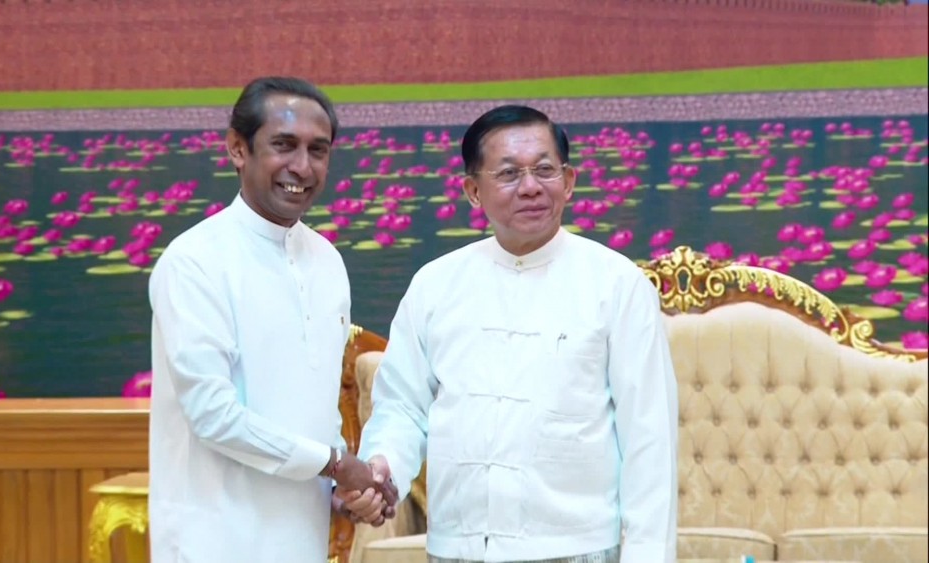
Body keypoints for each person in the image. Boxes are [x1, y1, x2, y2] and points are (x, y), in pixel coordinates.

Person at [346, 105, 679, 563]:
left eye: (544, 170)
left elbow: (649, 438)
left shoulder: (617, 285)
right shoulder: (436, 285)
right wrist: (383, 469)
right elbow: (402, 407)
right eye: (508, 174)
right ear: (473, 191)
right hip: (458, 547)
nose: (530, 187)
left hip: (576, 548)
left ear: (569, 181)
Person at [148, 76, 394, 563]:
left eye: (318, 150)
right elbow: (213, 415)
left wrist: (342, 491)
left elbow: (317, 407)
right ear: (238, 149)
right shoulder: (194, 261)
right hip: (212, 540)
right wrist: (334, 464)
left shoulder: (327, 261)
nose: (301, 166)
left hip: (301, 537)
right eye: (284, 145)